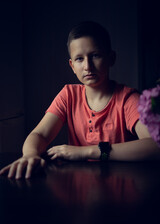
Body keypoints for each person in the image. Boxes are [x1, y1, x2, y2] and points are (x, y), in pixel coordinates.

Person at [0, 21, 159, 179]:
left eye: (95, 55)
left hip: (121, 184)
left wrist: (88, 151)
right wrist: (30, 155)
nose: (87, 66)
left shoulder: (127, 99)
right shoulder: (69, 95)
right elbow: (40, 134)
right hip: (78, 185)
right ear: (72, 66)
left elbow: (155, 145)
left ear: (111, 58)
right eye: (79, 59)